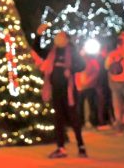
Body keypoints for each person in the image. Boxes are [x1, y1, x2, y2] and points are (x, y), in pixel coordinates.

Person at [33, 26, 87, 159]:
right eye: (58, 36)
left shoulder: (72, 51)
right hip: (55, 90)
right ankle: (61, 147)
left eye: (61, 36)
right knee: (59, 119)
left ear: (67, 39)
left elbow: (82, 65)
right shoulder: (52, 51)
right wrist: (39, 34)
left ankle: (81, 146)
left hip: (69, 91)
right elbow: (38, 50)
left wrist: (71, 69)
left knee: (74, 119)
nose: (58, 38)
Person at [76, 47, 100, 128]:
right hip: (80, 87)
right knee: (80, 105)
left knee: (91, 104)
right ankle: (81, 121)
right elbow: (76, 75)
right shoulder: (78, 64)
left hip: (89, 87)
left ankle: (92, 121)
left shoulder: (92, 62)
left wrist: (88, 82)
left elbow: (95, 73)